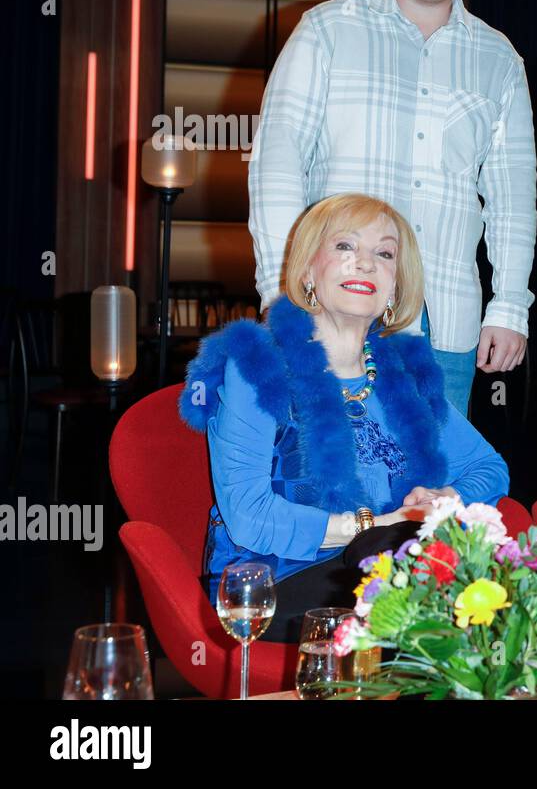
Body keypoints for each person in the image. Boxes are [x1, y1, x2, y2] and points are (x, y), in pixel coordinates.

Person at [248, 0, 537, 416]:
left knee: (432, 493)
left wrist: (509, 307)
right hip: (333, 311)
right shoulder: (328, 30)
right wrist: (282, 297)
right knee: (327, 483)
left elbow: (511, 197)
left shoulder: (499, 60)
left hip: (446, 320)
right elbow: (276, 163)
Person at [181, 194, 509, 643]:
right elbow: (248, 516)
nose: (366, 263)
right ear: (307, 270)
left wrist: (439, 499)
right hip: (273, 580)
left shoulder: (404, 373)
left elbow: (489, 469)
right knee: (431, 597)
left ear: (396, 287)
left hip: (391, 565)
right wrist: (379, 526)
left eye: (385, 253)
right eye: (345, 247)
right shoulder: (258, 364)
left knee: (485, 590)